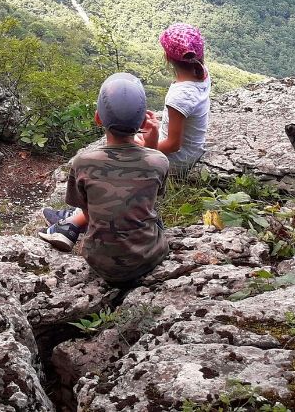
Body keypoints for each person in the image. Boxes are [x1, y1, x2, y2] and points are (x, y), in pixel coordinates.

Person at [38, 72, 170, 285]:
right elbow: (149, 198)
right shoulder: (159, 161)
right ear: (144, 120)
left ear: (98, 117)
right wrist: (152, 142)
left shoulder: (82, 162)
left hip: (99, 262)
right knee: (155, 219)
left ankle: (68, 224)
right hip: (147, 259)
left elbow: (91, 216)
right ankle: (67, 224)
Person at [154, 23, 211, 179]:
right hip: (193, 149)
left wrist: (144, 148)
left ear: (167, 57)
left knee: (125, 151)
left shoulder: (179, 97)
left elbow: (173, 145)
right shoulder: (202, 72)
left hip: (176, 161)